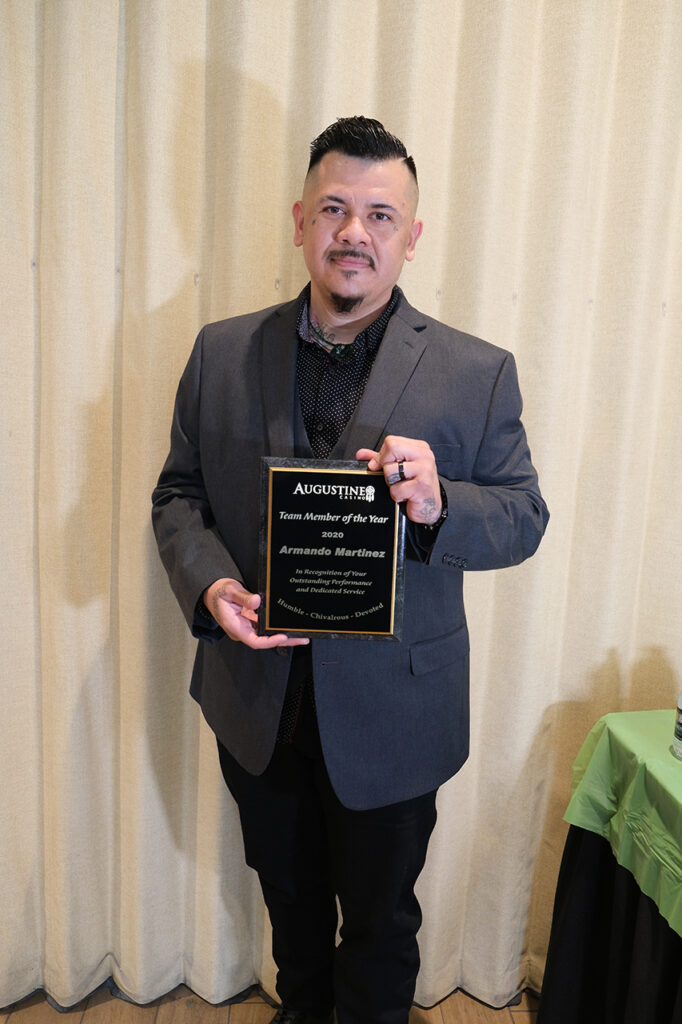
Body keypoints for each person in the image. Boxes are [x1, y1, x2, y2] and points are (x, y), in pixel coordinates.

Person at [152, 116, 548, 1024]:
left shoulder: (476, 373)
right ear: (300, 220)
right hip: (259, 702)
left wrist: (442, 500)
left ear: (413, 235)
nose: (353, 233)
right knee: (291, 915)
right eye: (334, 208)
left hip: (397, 714)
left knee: (380, 929)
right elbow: (178, 496)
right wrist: (214, 589)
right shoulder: (220, 353)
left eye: (379, 214)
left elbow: (525, 518)